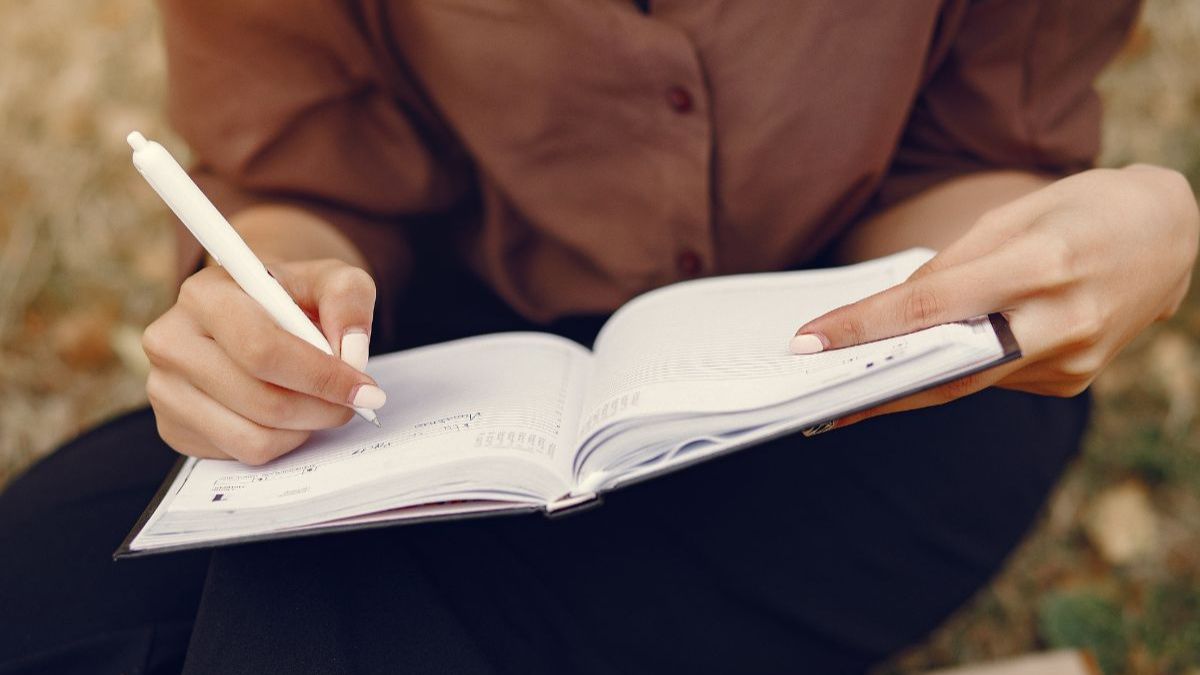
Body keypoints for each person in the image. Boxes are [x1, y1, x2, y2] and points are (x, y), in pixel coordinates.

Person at [1, 1, 1196, 673]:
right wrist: (269, 293)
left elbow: (965, 164)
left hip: (866, 406)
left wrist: (1106, 235)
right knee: (33, 585)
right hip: (441, 375)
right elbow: (312, 173)